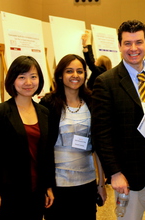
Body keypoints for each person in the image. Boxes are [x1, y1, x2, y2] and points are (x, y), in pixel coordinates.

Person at [91, 20, 145, 220]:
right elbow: (101, 133)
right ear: (119, 46)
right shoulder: (106, 82)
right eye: (127, 43)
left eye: (138, 42)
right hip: (129, 173)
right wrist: (114, 172)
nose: (133, 48)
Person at [0, 56, 55, 220]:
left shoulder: (44, 112)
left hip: (36, 190)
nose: (28, 82)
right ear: (12, 80)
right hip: (8, 192)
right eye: (22, 77)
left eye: (33, 76)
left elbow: (46, 155)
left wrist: (48, 186)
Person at [40, 54, 107, 220]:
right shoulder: (48, 104)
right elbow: (43, 148)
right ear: (60, 75)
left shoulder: (93, 102)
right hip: (58, 184)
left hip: (86, 182)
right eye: (69, 71)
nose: (75, 75)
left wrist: (101, 184)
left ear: (85, 75)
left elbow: (99, 146)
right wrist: (45, 185)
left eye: (80, 71)